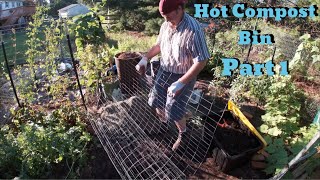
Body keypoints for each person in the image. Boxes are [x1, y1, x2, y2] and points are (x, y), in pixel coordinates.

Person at [135, 0, 210, 151]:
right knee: (155, 101)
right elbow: (158, 46)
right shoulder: (165, 25)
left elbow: (202, 61)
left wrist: (181, 82)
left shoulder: (193, 30)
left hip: (184, 75)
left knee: (174, 109)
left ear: (179, 9)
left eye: (168, 16)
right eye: (163, 17)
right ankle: (166, 123)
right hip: (165, 69)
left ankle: (184, 133)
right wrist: (145, 58)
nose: (166, 20)